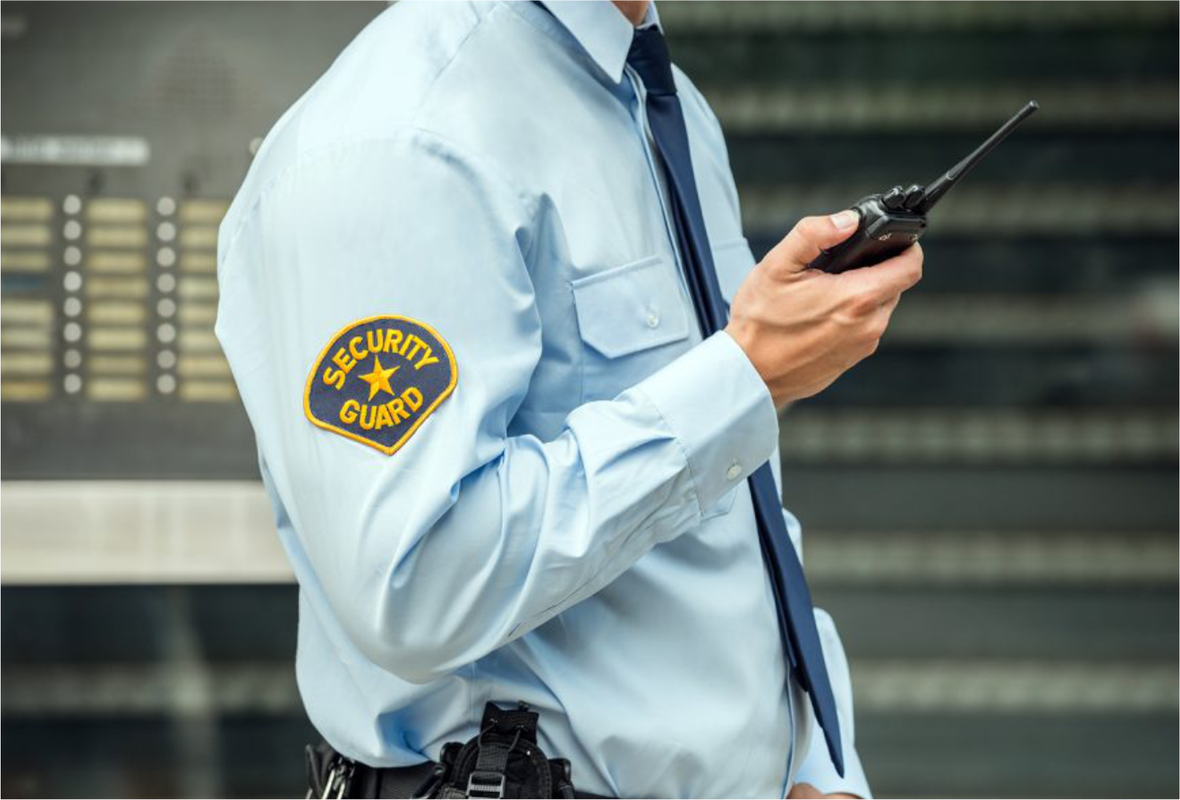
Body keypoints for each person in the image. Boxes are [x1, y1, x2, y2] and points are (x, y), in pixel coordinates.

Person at [216, 1, 922, 797]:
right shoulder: (401, 138)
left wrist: (818, 765)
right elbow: (417, 585)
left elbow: (731, 518)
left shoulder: (662, 100)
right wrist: (740, 381)